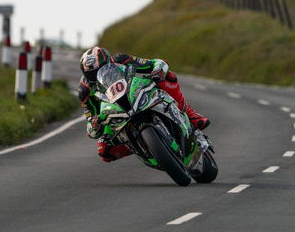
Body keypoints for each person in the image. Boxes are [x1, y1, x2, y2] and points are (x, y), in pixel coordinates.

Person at [77, 46, 210, 163]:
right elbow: (90, 123)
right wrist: (94, 124)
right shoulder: (85, 91)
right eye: (91, 74)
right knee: (104, 151)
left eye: (103, 68)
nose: (98, 75)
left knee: (169, 76)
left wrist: (158, 70)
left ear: (109, 61)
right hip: (111, 111)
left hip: (134, 92)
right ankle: (144, 147)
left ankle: (191, 115)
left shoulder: (121, 59)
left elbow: (155, 63)